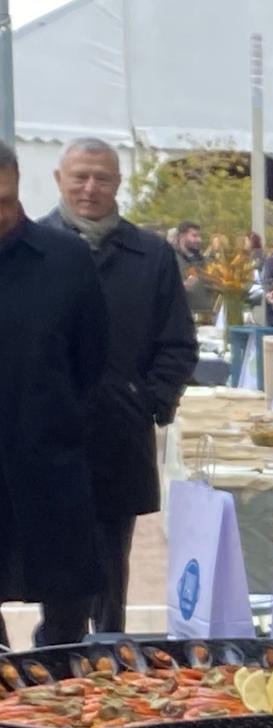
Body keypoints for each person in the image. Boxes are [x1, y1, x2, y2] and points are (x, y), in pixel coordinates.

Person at [40, 138, 197, 633]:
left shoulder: (149, 255)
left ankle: (108, 661)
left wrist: (147, 401)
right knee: (49, 563)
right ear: (59, 179)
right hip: (41, 436)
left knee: (111, 564)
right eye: (80, 176)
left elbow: (177, 343)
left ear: (118, 184)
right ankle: (50, 662)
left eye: (102, 178)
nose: (90, 188)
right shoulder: (28, 248)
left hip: (116, 434)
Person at [0, 142, 111, 647]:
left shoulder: (66, 259)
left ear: (19, 188)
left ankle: (60, 713)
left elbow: (91, 361)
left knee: (68, 613)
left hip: (49, 464)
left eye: (3, 201)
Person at [172, 220, 216, 323]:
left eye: (199, 236)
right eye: (194, 236)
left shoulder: (205, 262)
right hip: (181, 320)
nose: (199, 240)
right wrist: (181, 287)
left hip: (208, 319)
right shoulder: (170, 260)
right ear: (182, 237)